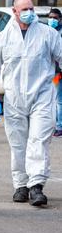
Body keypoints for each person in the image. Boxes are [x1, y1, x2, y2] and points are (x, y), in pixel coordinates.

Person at [0, 0, 62, 206]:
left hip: (42, 95)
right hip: (14, 98)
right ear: (15, 11)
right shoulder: (3, 38)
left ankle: (36, 186)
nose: (29, 12)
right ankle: (20, 185)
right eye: (24, 9)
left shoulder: (47, 34)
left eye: (31, 8)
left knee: (38, 141)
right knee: (18, 143)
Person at [48, 8, 62, 138]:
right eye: (50, 17)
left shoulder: (59, 33)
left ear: (60, 19)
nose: (52, 20)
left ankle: (59, 126)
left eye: (55, 18)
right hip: (52, 71)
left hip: (58, 72)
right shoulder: (48, 32)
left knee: (58, 100)